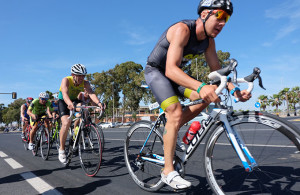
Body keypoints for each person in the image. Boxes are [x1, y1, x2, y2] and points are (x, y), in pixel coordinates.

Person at [144, 0, 251, 189]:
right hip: (158, 72)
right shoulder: (182, 30)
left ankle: (173, 130)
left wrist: (235, 91)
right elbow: (170, 69)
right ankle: (168, 171)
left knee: (206, 99)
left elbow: (217, 71)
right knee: (176, 112)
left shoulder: (209, 41)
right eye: (219, 16)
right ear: (204, 14)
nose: (223, 23)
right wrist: (201, 86)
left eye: (227, 18)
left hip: (175, 75)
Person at [57, 64, 104, 164]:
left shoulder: (85, 83)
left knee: (85, 108)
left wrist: (99, 103)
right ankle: (61, 149)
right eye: (79, 75)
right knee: (66, 123)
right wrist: (69, 103)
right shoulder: (66, 80)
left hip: (74, 100)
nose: (82, 78)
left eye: (83, 76)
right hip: (63, 101)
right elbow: (65, 94)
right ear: (73, 75)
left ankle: (79, 130)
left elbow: (91, 93)